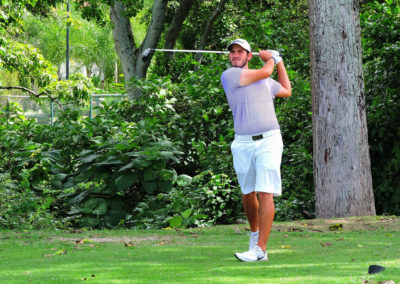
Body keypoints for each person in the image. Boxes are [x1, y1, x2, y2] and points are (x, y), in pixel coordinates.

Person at [220, 39, 291, 262]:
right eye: (233, 52)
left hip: (269, 139)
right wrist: (271, 58)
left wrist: (279, 63)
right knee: (248, 193)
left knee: (265, 191)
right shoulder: (230, 75)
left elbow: (287, 91)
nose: (235, 55)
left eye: (240, 52)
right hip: (242, 143)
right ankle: (254, 234)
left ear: (249, 56)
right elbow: (264, 70)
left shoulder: (266, 81)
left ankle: (261, 249)